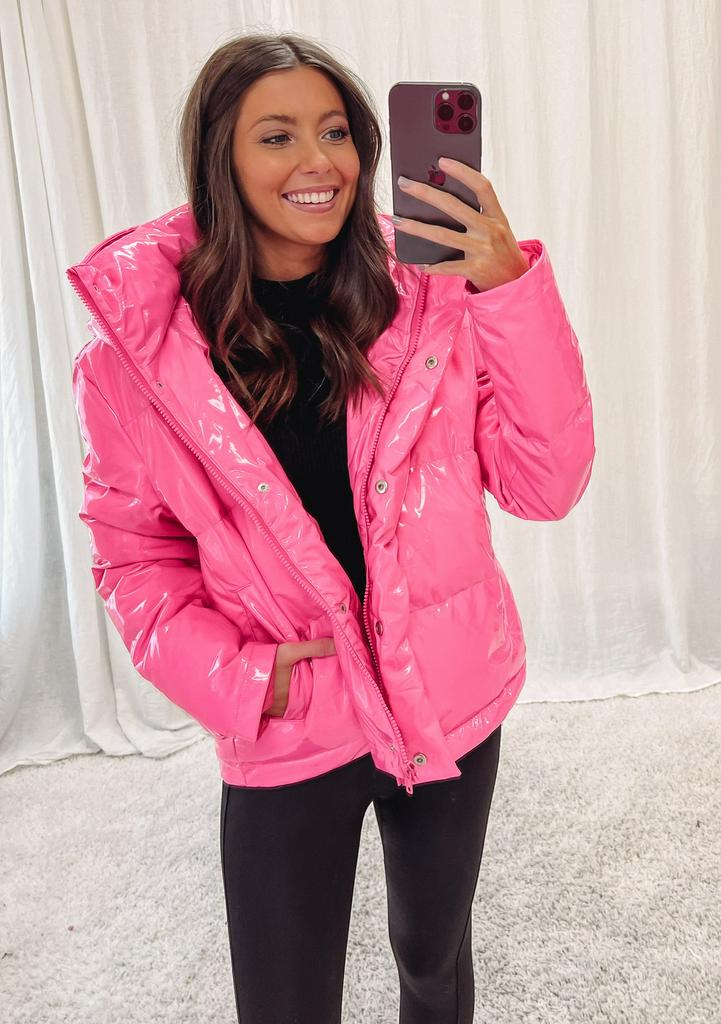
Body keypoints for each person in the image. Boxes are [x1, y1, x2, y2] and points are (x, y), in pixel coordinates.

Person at [66, 30, 595, 1024]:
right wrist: (238, 678)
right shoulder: (139, 351)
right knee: (283, 1002)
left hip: (446, 693)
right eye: (276, 136)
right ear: (219, 158)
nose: (318, 161)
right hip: (292, 715)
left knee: (432, 963)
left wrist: (507, 293)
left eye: (337, 131)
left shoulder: (428, 296)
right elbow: (133, 556)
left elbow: (546, 483)